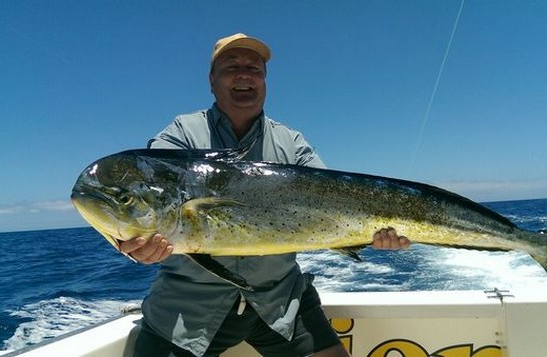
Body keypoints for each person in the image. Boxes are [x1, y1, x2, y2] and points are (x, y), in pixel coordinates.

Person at [121, 33, 411, 357]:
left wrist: (373, 234)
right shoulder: (181, 135)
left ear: (265, 82)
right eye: (232, 66)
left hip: (281, 300)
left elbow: (334, 204)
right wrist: (131, 243)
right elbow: (145, 196)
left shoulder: (291, 142)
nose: (244, 74)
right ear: (211, 80)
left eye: (254, 68)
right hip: (189, 307)